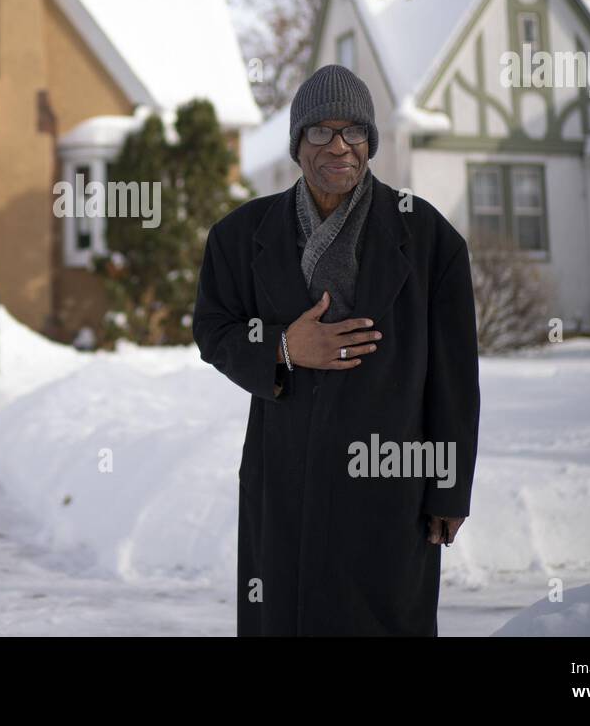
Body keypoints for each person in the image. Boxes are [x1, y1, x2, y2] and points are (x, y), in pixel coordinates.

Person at [192, 64, 481, 635]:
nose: (339, 146)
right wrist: (280, 346)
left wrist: (448, 487)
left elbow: (454, 375)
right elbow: (213, 330)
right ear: (298, 142)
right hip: (285, 476)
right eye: (320, 131)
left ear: (371, 142)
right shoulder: (239, 234)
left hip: (391, 480)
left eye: (354, 131)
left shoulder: (427, 237)